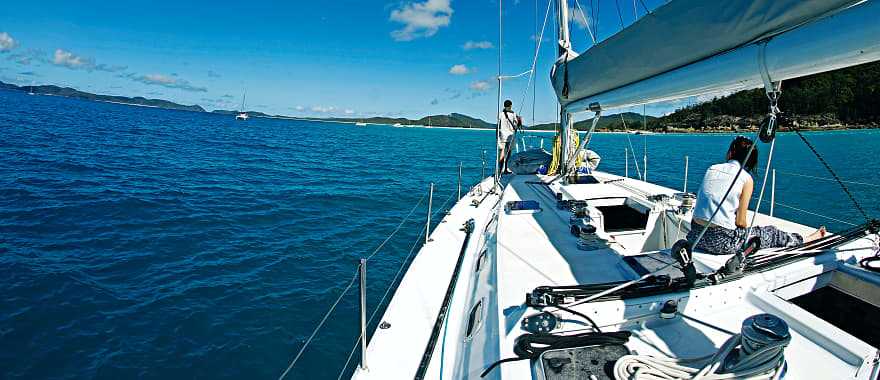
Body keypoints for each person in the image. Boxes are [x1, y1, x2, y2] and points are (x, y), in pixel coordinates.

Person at [687, 136, 826, 255]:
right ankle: (806, 240)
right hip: (721, 243)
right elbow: (741, 222)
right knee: (770, 233)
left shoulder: (712, 168)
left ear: (731, 153)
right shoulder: (746, 179)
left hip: (694, 236)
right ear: (751, 161)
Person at [498, 99, 523, 174]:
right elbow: (517, 125)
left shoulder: (500, 114)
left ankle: (500, 170)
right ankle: (505, 169)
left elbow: (498, 124)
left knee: (502, 152)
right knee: (508, 153)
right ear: (510, 106)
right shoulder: (513, 114)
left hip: (502, 135)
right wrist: (520, 121)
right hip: (510, 135)